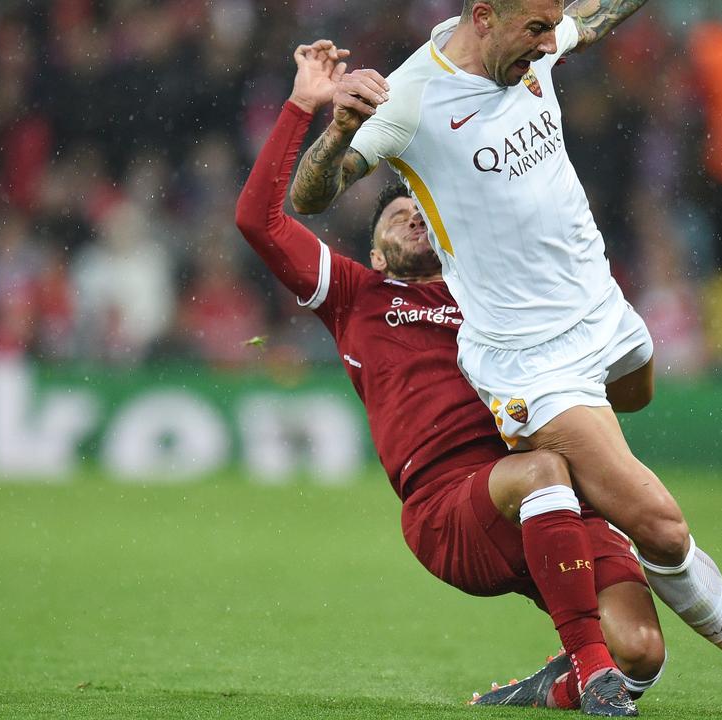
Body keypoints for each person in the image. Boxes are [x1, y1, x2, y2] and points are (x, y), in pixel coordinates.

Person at [237, 40, 667, 715]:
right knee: (546, 471)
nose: (412, 209)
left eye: (421, 207)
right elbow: (257, 221)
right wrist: (302, 106)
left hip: (544, 492)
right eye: (395, 210)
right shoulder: (356, 295)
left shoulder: (493, 292)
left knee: (642, 648)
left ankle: (557, 684)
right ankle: (593, 668)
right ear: (376, 248)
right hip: (450, 509)